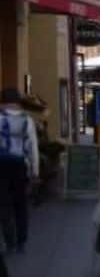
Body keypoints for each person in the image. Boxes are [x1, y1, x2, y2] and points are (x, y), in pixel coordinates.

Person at [0, 88, 39, 255]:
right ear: (18, 102)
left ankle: (10, 241)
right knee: (21, 204)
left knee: (4, 205)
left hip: (1, 165)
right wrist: (35, 170)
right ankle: (22, 241)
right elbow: (33, 147)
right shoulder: (28, 120)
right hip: (20, 166)